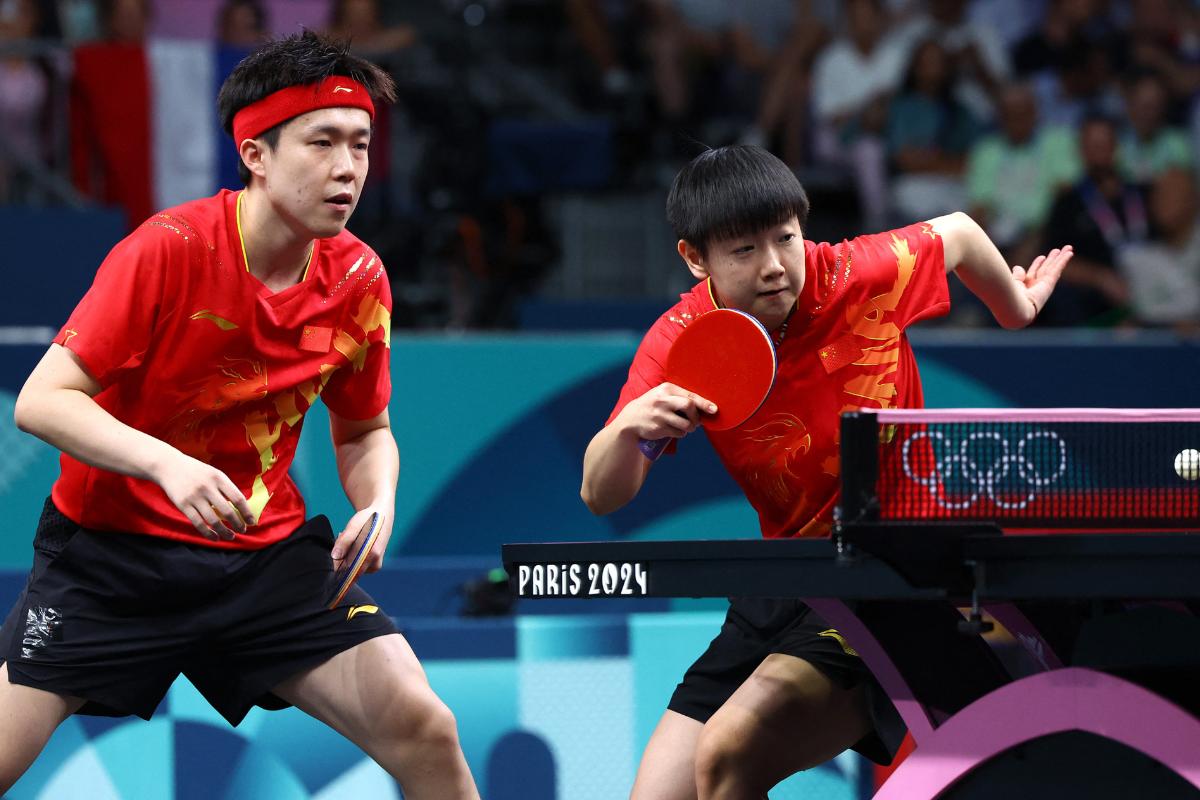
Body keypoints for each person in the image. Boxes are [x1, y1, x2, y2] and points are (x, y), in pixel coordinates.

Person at [1, 31, 479, 799]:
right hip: (109, 563)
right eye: (321, 142)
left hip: (262, 562)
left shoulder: (358, 277)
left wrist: (377, 502)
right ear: (255, 153)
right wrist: (167, 464)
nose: (347, 167)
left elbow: (364, 429)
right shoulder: (168, 249)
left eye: (359, 144)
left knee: (425, 727)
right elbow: (42, 400)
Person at [580, 144, 1072, 799]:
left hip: (890, 577)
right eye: (744, 251)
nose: (776, 266)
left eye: (785, 238)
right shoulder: (685, 340)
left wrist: (1016, 307)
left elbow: (956, 232)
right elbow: (600, 494)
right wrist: (631, 430)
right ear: (695, 259)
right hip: (785, 580)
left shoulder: (858, 274)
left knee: (728, 755)